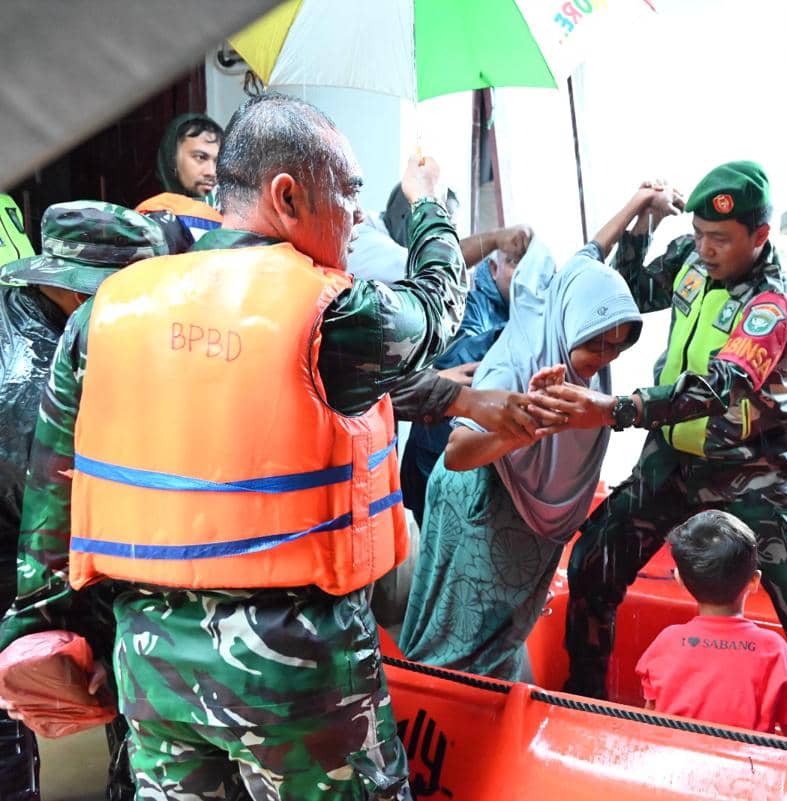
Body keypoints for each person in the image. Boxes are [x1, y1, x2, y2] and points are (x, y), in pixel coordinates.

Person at [0, 92, 470, 801]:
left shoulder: (105, 314)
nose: (358, 216)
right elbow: (439, 306)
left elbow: (52, 495)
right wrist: (429, 203)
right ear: (287, 194)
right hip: (295, 669)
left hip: (153, 670)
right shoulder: (332, 316)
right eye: (349, 194)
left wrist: (50, 629)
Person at [541, 162, 787, 698]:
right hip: (673, 459)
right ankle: (586, 696)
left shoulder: (778, 303)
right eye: (697, 235)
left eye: (720, 239)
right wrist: (642, 226)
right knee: (594, 557)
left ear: (760, 236)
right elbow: (636, 289)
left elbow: (720, 386)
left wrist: (613, 409)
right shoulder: (693, 260)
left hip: (751, 471)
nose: (705, 248)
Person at [397, 234, 642, 681]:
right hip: (482, 507)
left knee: (496, 638)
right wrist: (525, 428)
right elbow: (457, 452)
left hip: (529, 519)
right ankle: (439, 718)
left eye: (617, 346)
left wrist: (640, 203)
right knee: (456, 638)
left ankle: (479, 712)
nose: (604, 358)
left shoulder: (578, 352)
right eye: (597, 344)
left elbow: (589, 250)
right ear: (571, 324)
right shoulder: (518, 361)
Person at [0, 202, 170, 801]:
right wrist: (109, 643)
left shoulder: (17, 315)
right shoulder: (36, 380)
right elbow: (54, 533)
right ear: (79, 295)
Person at [636, 510, 787, 738]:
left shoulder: (665, 642)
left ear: (680, 579)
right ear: (754, 581)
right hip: (749, 769)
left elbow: (650, 719)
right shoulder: (774, 650)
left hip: (674, 764)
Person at [399, 248, 518, 527]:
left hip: (465, 456)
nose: (522, 272)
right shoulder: (471, 300)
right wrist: (516, 335)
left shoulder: (513, 306)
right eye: (513, 262)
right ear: (492, 268)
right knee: (437, 539)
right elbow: (466, 358)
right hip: (436, 452)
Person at [137, 113, 224, 247]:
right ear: (172, 159)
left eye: (217, 162)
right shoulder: (150, 219)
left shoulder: (233, 221)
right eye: (200, 157)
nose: (212, 172)